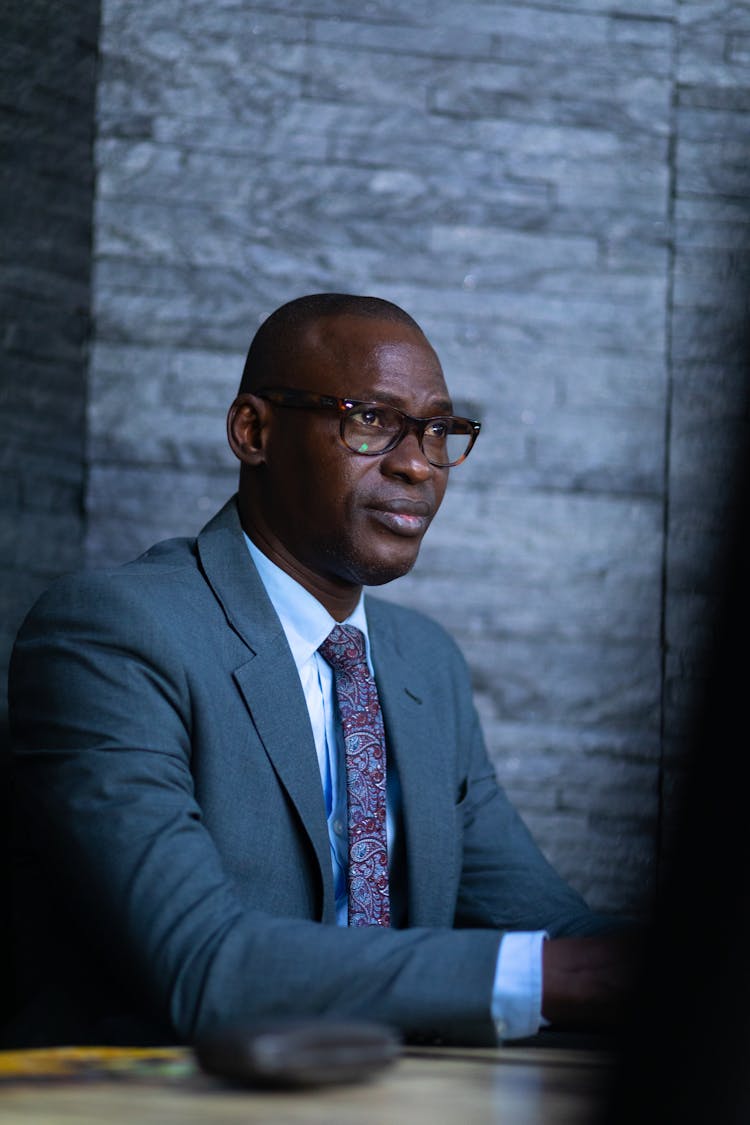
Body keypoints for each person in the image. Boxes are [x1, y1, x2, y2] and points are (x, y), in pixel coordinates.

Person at [7, 293, 637, 1048]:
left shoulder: (423, 664)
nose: (415, 464)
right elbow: (204, 963)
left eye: (437, 430)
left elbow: (546, 924)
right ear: (254, 431)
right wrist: (558, 976)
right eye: (369, 418)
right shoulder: (114, 635)